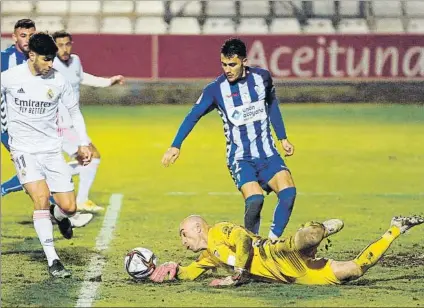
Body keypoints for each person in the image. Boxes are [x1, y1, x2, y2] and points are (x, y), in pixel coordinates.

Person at [161, 38, 296, 239]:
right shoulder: (216, 90)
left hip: (268, 153)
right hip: (241, 158)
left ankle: (272, 243)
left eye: (232, 64)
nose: (227, 69)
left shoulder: (262, 78)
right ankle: (251, 246)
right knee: (255, 199)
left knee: (288, 194)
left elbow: (272, 104)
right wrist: (175, 145)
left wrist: (282, 137)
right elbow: (193, 115)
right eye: (224, 64)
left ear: (244, 61)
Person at [1, 32, 93, 277]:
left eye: (52, 59)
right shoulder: (9, 78)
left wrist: (83, 143)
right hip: (23, 151)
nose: (51, 64)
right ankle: (54, 260)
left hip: (51, 151)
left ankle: (58, 215)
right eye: (46, 59)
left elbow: (74, 113)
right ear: (31, 55)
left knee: (70, 208)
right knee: (40, 198)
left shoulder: (58, 80)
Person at [149, 214, 423, 286]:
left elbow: (244, 241)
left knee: (309, 235)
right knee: (355, 270)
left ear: (198, 228)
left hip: (277, 253)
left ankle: (322, 230)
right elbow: (188, 274)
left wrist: (237, 275)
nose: (182, 241)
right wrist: (170, 271)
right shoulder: (208, 256)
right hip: (293, 275)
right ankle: (397, 227)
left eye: (183, 234)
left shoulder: (219, 231)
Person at [52, 30, 124, 212]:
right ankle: (51, 179)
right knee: (92, 157)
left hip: (72, 123)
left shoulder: (75, 60)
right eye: (60, 45)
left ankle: (56, 180)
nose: (64, 48)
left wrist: (108, 82)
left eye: (67, 44)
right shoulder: (50, 65)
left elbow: (82, 77)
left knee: (91, 158)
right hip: (60, 125)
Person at [1, 19, 36, 196]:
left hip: (33, 124)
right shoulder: (4, 59)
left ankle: (55, 211)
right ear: (14, 37)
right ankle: (59, 212)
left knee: (34, 170)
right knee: (36, 168)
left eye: (31, 35)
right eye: (23, 36)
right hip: (10, 127)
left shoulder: (39, 59)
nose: (28, 40)